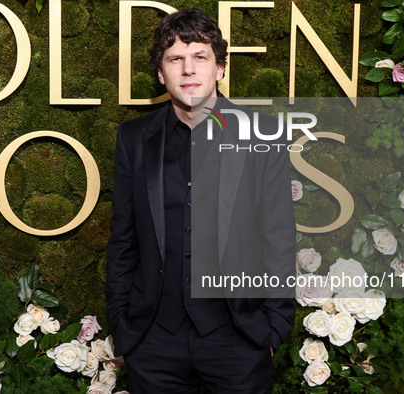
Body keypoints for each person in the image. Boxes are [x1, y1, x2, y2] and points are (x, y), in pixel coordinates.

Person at [105, 7, 296, 393]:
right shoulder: (133, 139)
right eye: (176, 58)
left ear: (220, 68)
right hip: (154, 342)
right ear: (161, 74)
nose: (188, 69)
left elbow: (279, 237)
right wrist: (123, 325)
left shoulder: (264, 135)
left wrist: (272, 327)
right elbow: (123, 240)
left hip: (238, 339)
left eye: (200, 57)